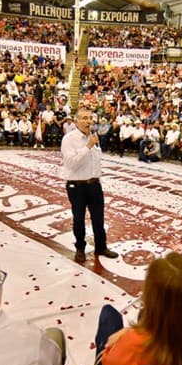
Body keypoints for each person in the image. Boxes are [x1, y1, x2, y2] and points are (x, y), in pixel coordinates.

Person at [60, 108, 119, 263]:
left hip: (94, 184)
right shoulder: (69, 139)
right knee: (79, 218)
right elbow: (70, 163)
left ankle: (101, 246)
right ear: (76, 121)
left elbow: (95, 161)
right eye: (84, 118)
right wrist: (87, 147)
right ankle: (80, 248)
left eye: (90, 118)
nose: (88, 121)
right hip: (77, 186)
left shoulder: (92, 137)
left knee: (98, 218)